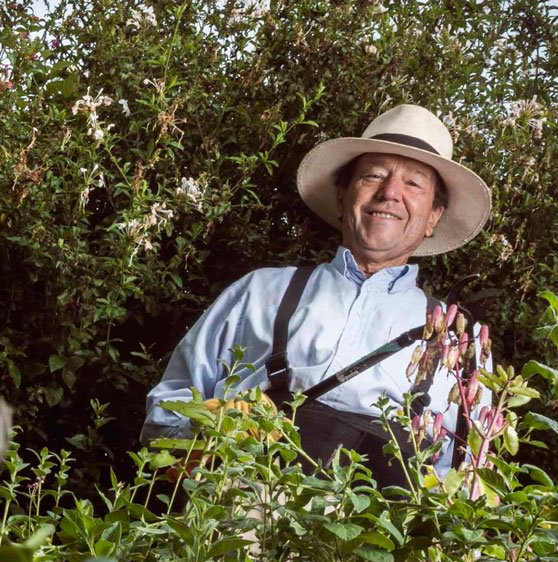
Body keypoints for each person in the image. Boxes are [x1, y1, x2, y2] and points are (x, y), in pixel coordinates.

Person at [140, 104, 492, 484]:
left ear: (434, 216)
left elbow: (465, 478)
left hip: (378, 536)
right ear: (343, 195)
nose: (390, 193)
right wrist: (206, 437)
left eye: (414, 184)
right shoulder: (260, 292)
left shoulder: (459, 339)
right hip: (240, 517)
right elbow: (167, 412)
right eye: (374, 175)